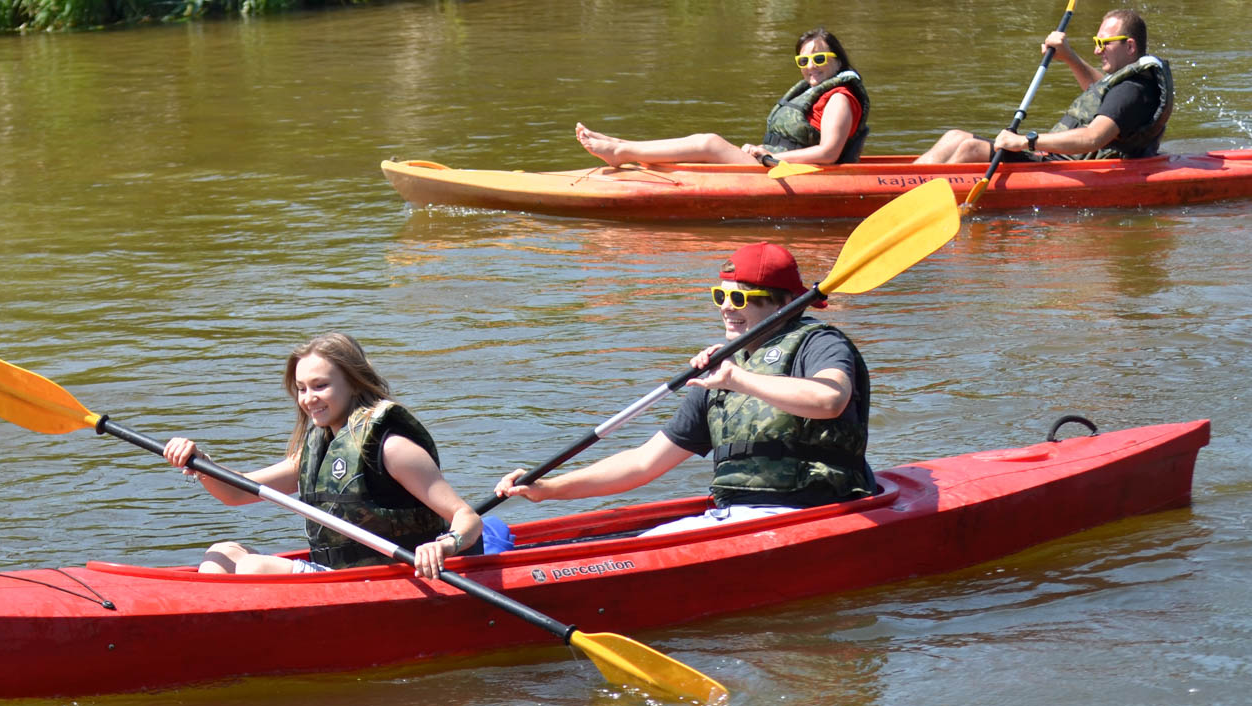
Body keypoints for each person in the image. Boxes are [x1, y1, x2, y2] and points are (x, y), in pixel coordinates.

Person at [493, 243, 874, 535]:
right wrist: (549, 488)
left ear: (786, 304)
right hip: (737, 513)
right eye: (719, 296)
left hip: (813, 509)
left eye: (740, 297)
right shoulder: (722, 372)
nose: (726, 307)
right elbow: (644, 463)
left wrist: (736, 380)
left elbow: (830, 400)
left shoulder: (818, 343)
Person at [162, 333, 481, 578]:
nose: (308, 399)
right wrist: (200, 462)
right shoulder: (318, 449)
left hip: (396, 577)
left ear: (354, 384)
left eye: (320, 386)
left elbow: (467, 518)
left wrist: (444, 545)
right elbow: (234, 492)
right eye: (301, 388)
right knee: (221, 553)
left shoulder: (392, 448)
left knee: (253, 569)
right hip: (334, 578)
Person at [574, 27, 871, 168]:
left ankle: (621, 152)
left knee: (709, 143)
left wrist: (769, 157)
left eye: (819, 58)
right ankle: (620, 146)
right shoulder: (819, 93)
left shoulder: (840, 99)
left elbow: (829, 154)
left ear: (838, 61)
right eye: (803, 62)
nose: (811, 67)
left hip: (790, 170)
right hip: (779, 164)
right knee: (702, 150)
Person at [918, 9, 1174, 164]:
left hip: (1066, 167)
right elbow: (1101, 92)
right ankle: (900, 187)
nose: (1097, 50)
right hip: (1058, 160)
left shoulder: (1133, 91)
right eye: (1096, 41)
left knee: (969, 148)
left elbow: (1092, 137)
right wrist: (1069, 57)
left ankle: (911, 203)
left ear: (1130, 46)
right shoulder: (1126, 86)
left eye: (1105, 43)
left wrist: (1024, 142)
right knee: (954, 137)